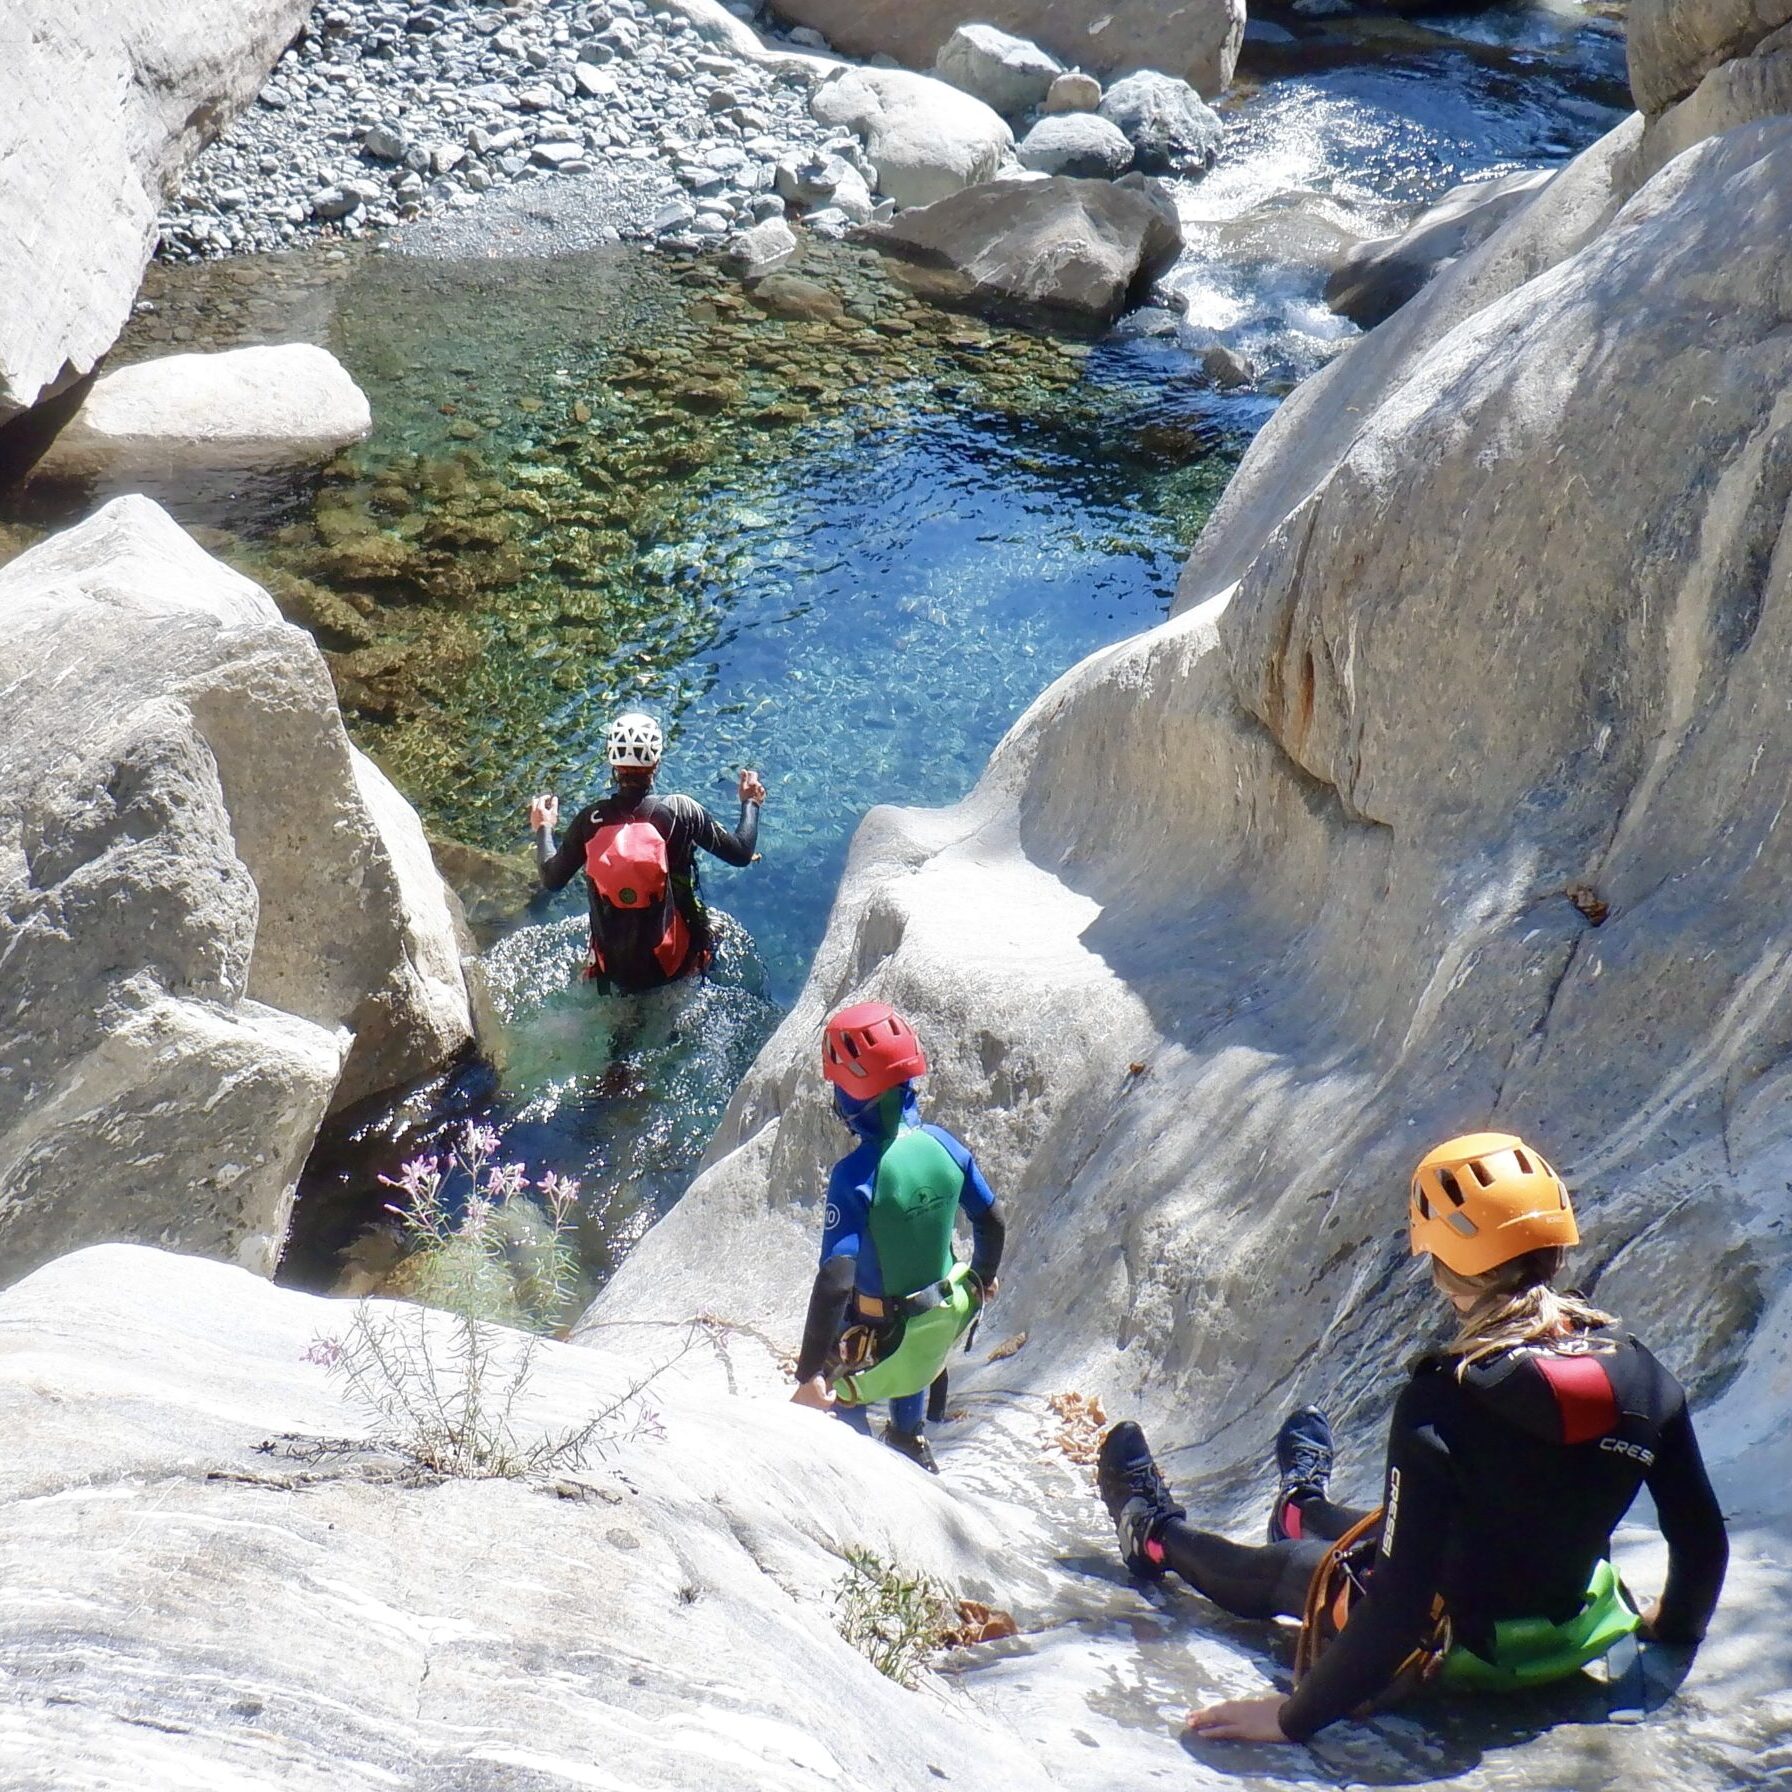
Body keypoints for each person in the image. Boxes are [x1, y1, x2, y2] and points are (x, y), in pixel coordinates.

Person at [1095, 1131, 1728, 1746]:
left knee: (1288, 1569)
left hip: (1459, 1651)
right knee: (1420, 1522)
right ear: (1558, 1250)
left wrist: (1294, 1718)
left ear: (1447, 1270)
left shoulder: (1445, 1399)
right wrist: (1672, 1630)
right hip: (1571, 1636)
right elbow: (1702, 1543)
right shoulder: (1646, 1377)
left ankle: (1152, 1533)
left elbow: (1398, 1610)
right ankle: (1301, 1506)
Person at [789, 1002, 1008, 1474]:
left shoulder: (855, 1176)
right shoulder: (944, 1145)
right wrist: (985, 1277)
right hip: (941, 1323)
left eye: (837, 1087)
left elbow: (835, 1280)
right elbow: (992, 1221)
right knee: (916, 1342)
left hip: (881, 1339)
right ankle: (909, 1438)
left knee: (854, 1359)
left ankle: (861, 1459)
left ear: (854, 1094)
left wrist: (809, 1375)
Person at [530, 712, 764, 993]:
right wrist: (750, 802)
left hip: (614, 968)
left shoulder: (590, 820)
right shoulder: (681, 811)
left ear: (612, 763)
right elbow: (740, 853)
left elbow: (551, 879)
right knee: (716, 928)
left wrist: (544, 828)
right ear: (656, 761)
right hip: (673, 963)